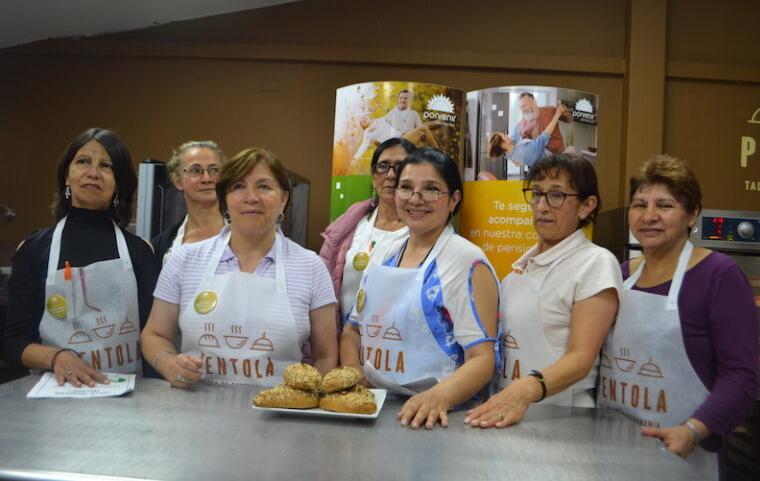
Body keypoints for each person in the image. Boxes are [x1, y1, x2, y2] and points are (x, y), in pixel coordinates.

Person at [597, 155, 758, 480]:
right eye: (640, 204)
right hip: (611, 452)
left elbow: (740, 376)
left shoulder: (718, 276)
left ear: (692, 214)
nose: (649, 216)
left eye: (665, 206)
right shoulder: (621, 274)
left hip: (681, 456)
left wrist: (692, 431)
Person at [141, 147, 338, 387]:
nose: (251, 197)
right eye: (238, 187)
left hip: (279, 414)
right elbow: (154, 335)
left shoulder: (310, 266)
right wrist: (168, 363)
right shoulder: (185, 259)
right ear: (224, 198)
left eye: (264, 186)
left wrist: (304, 396)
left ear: (283, 198)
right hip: (194, 410)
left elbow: (326, 355)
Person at [340, 147, 499, 430]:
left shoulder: (467, 261)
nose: (416, 199)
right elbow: (353, 330)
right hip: (374, 408)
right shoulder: (381, 253)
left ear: (454, 199)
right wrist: (353, 369)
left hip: (437, 419)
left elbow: (482, 359)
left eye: (431, 189)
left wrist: (438, 397)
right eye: (406, 187)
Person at [466, 154, 621, 427]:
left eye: (557, 196)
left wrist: (526, 389)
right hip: (505, 411)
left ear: (587, 205)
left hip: (561, 419)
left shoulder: (595, 263)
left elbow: (581, 357)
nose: (542, 206)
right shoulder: (520, 269)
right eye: (537, 194)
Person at [4, 128, 158, 386]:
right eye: (83, 161)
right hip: (56, 396)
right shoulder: (33, 249)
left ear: (118, 182)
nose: (93, 172)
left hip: (128, 400)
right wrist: (56, 357)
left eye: (106, 166)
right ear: (67, 176)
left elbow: (155, 334)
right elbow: (14, 341)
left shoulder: (140, 251)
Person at [320, 137, 416, 332]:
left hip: (399, 349)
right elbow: (320, 297)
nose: (390, 175)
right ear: (373, 176)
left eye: (400, 166)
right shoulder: (345, 231)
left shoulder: (423, 233)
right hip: (343, 349)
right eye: (383, 166)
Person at [151, 140, 226, 267]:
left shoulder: (247, 233)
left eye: (214, 170)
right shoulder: (161, 246)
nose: (207, 179)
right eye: (195, 170)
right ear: (178, 181)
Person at [488, 104, 570, 167]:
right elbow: (543, 138)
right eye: (504, 136)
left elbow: (517, 128)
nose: (506, 135)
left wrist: (525, 112)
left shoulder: (510, 148)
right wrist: (557, 115)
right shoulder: (524, 154)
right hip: (553, 162)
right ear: (503, 144)